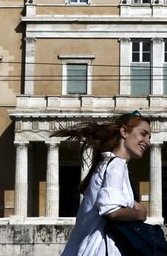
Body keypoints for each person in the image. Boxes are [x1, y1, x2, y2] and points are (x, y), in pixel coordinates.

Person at [54, 110, 152, 256]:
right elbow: (111, 211)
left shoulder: (108, 164)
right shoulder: (116, 165)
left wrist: (132, 205)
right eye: (143, 134)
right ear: (124, 132)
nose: (148, 141)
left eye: (149, 137)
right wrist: (141, 214)